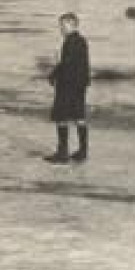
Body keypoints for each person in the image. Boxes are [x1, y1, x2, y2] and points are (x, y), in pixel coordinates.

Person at [45, 12, 92, 164]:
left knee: (61, 117)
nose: (61, 28)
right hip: (79, 86)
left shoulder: (70, 42)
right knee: (79, 117)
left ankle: (62, 153)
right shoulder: (82, 41)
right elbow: (84, 66)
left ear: (72, 24)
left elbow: (67, 64)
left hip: (68, 85)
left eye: (63, 25)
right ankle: (83, 151)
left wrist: (54, 75)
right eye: (61, 25)